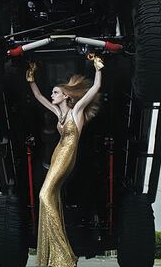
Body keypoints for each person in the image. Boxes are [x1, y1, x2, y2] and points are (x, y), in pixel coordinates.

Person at [26, 54, 104, 267]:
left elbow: (95, 88)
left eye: (56, 92)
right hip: (57, 153)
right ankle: (58, 255)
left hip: (67, 155)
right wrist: (32, 79)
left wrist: (97, 67)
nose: (52, 95)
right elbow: (39, 97)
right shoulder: (57, 113)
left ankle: (62, 253)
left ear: (66, 96)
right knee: (50, 197)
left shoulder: (76, 111)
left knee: (44, 195)